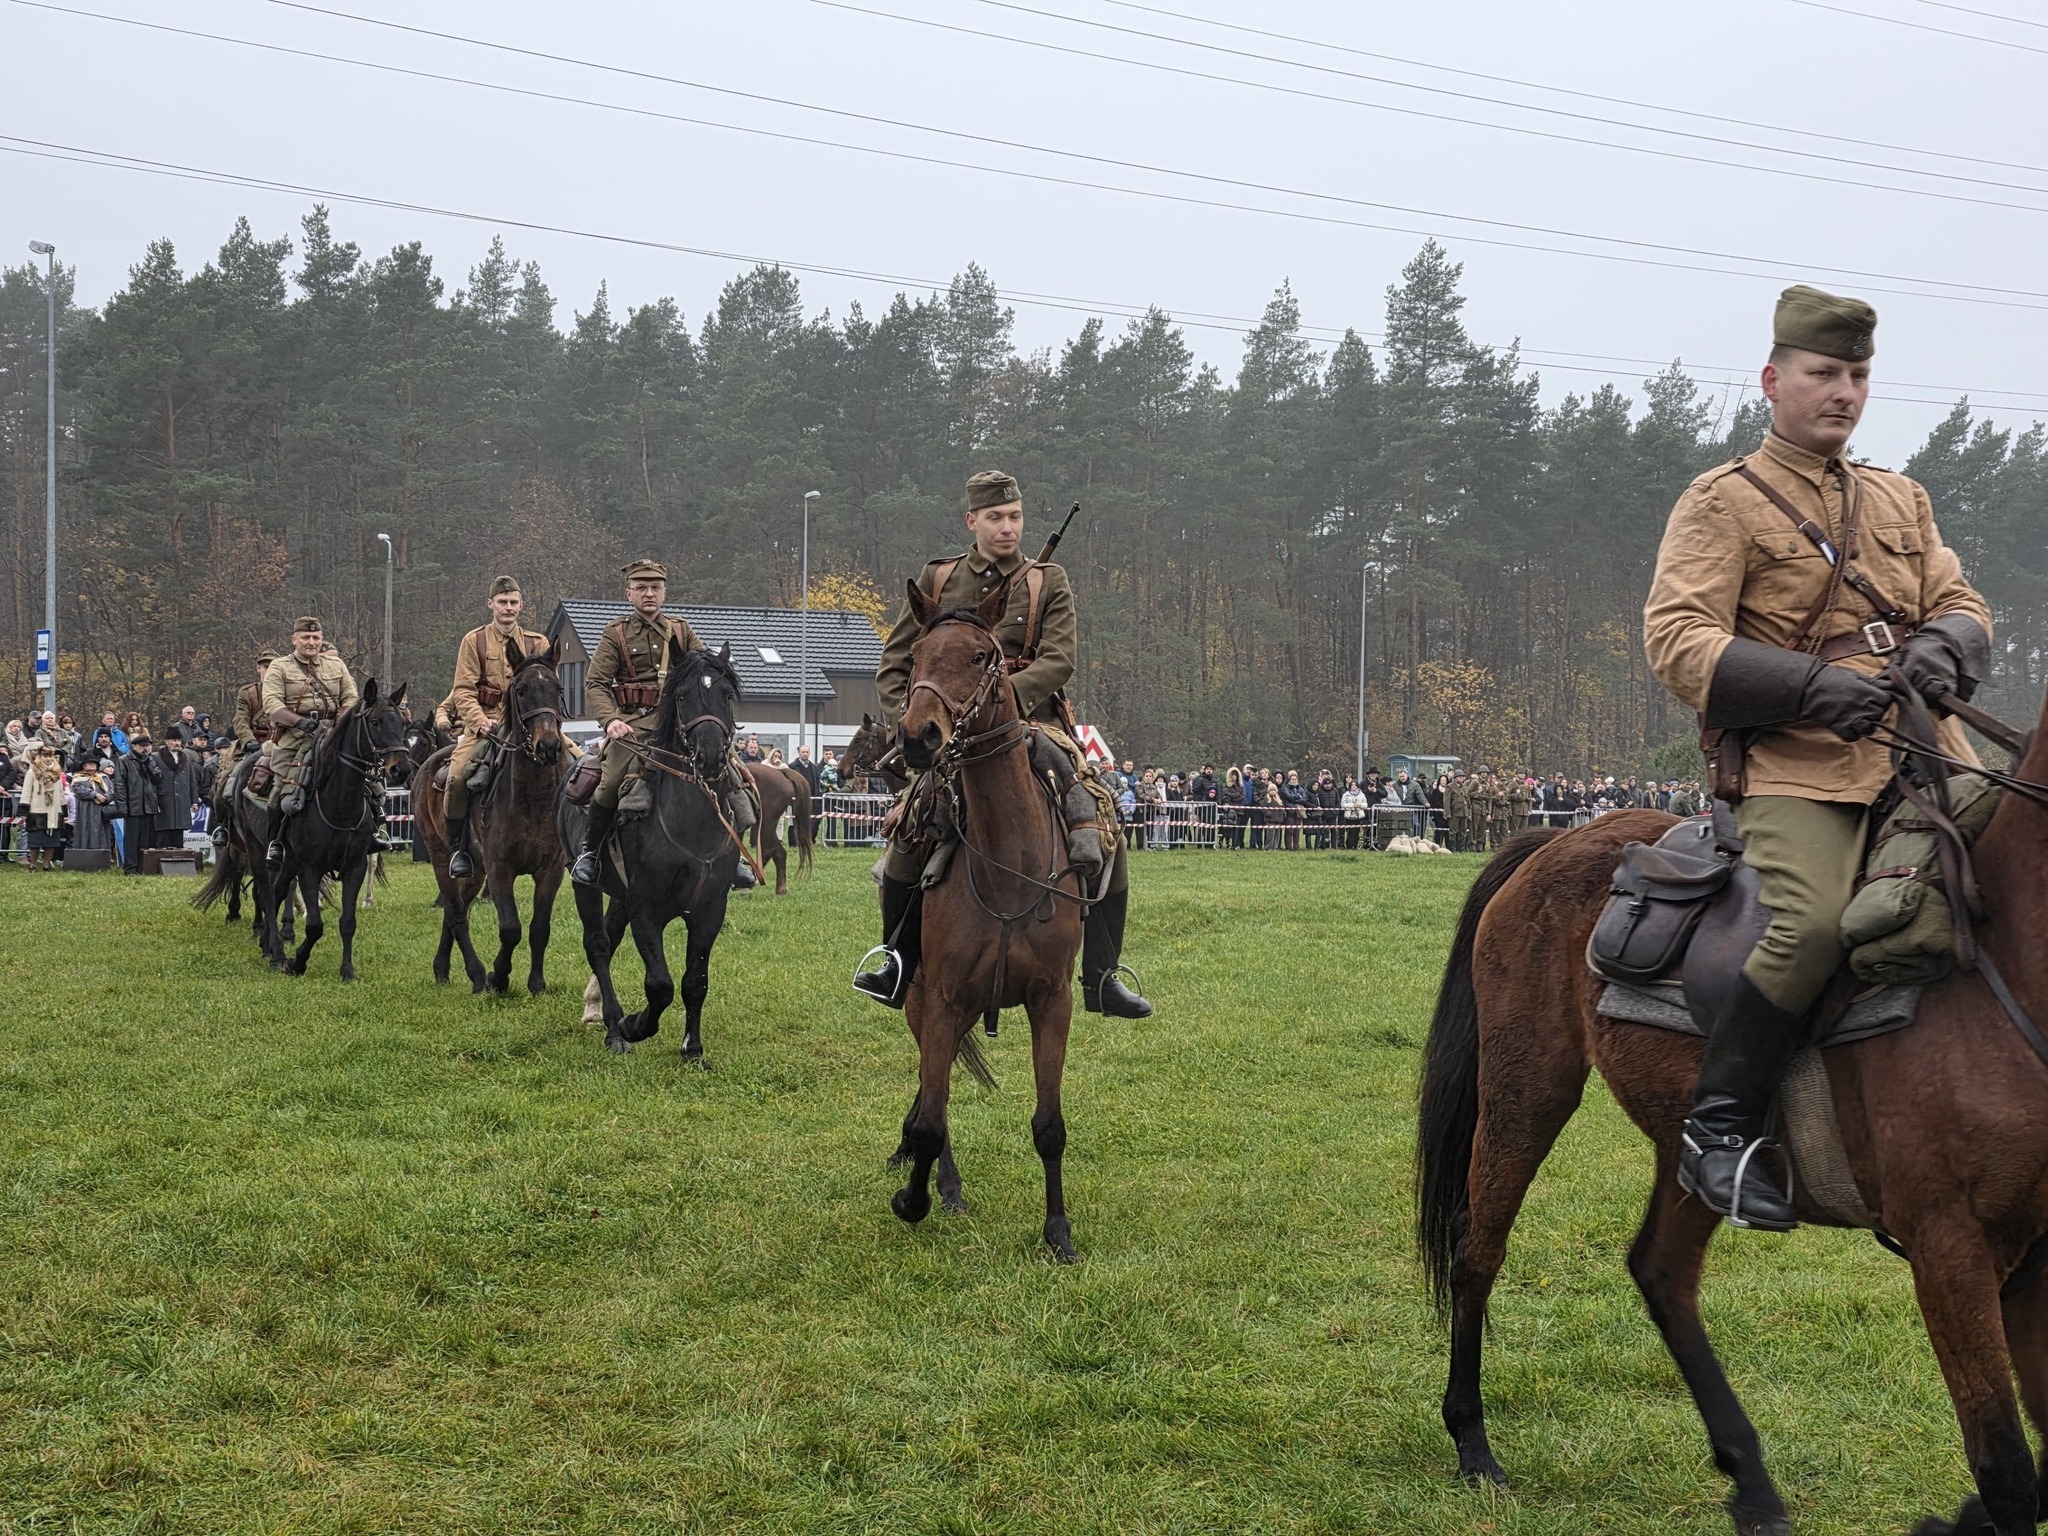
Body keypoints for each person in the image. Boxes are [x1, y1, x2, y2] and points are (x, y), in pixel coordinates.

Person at [1644, 284, 1991, 1231]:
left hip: (1928, 752)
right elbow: (1676, 638)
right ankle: (1717, 1131)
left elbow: (1963, 602)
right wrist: (1808, 689)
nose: (1844, 391)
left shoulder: (1898, 497)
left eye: (1859, 375)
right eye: (1824, 373)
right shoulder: (1723, 501)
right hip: (1798, 770)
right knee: (1815, 921)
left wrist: (1941, 646)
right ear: (1773, 379)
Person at [855, 468, 1151, 1018]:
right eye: (995, 518)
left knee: (1101, 823)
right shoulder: (939, 578)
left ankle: (1103, 974)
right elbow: (897, 661)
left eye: (1014, 516)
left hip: (1035, 725)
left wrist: (998, 702)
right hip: (951, 732)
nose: (1007, 527)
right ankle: (896, 960)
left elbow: (1059, 660)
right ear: (972, 521)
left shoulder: (1047, 581)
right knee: (913, 827)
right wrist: (920, 718)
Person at [570, 560, 757, 888]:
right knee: (612, 779)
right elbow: (596, 684)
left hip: (678, 723)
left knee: (731, 772)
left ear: (664, 591)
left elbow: (705, 667)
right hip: (634, 726)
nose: (649, 594)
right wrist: (611, 720)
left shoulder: (681, 630)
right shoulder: (616, 633)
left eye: (655, 588)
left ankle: (734, 853)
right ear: (629, 594)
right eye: (641, 588)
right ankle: (591, 852)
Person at [444, 576, 551, 878]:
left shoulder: (537, 643)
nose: (508, 608)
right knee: (455, 778)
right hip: (486, 725)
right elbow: (463, 690)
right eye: (502, 602)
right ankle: (459, 849)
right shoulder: (473, 641)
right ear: (491, 604)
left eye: (513, 602)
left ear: (521, 605)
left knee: (577, 768)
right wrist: (479, 722)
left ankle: (572, 843)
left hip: (529, 726)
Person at [259, 616, 361, 869]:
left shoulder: (336, 666)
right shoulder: (280, 667)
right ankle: (276, 843)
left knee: (366, 782)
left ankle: (370, 833)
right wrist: (297, 721)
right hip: (295, 739)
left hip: (334, 736)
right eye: (306, 638)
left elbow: (351, 697)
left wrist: (340, 719)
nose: (311, 642)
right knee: (282, 789)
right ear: (294, 639)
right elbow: (271, 703)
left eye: (316, 638)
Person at [211, 651, 275, 845]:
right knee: (225, 784)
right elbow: (240, 720)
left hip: (281, 745)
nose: (269, 670)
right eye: (265, 666)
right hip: (252, 746)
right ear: (258, 669)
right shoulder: (248, 693)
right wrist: (248, 740)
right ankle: (223, 826)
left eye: (273, 666)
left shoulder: (289, 693)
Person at [111, 729, 162, 873]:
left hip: (149, 805)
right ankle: (130, 867)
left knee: (147, 839)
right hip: (132, 806)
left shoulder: (150, 760)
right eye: (142, 746)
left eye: (147, 745)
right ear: (134, 746)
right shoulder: (124, 761)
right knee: (132, 840)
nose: (145, 748)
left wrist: (149, 765)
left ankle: (144, 866)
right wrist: (122, 807)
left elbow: (158, 778)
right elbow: (119, 785)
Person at [19, 744, 65, 870]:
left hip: (54, 811)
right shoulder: (32, 772)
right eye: (45, 756)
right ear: (39, 756)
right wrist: (24, 808)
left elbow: (61, 792)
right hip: (36, 810)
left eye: (50, 756)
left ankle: (46, 864)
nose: (48, 759)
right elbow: (26, 791)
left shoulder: (57, 773)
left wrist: (63, 809)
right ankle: (33, 864)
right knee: (34, 841)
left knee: (51, 841)